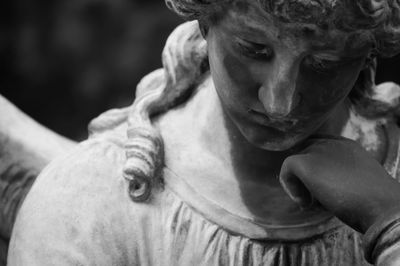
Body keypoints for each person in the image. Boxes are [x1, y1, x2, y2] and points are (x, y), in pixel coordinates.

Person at [6, 0, 400, 265]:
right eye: (254, 49)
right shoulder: (90, 200)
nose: (280, 102)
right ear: (204, 21)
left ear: (368, 53)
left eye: (323, 64)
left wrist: (390, 219)